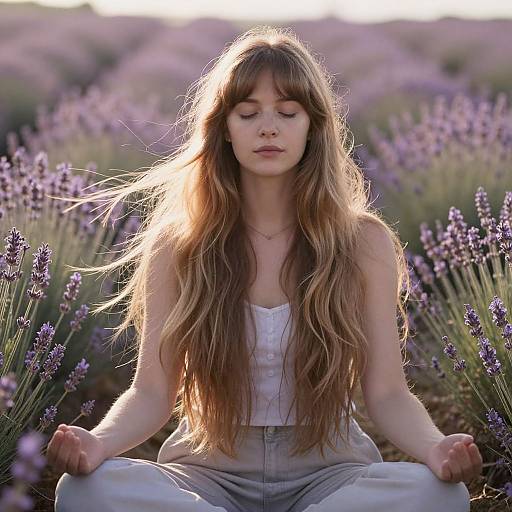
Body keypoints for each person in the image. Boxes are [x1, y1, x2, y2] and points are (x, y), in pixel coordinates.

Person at [48, 25, 480, 512]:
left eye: (287, 112)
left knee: (437, 494)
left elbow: (387, 393)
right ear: (223, 129)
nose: (268, 127)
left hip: (330, 473)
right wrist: (98, 443)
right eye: (248, 113)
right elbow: (151, 391)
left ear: (313, 127)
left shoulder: (364, 243)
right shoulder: (178, 245)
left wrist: (435, 448)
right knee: (85, 490)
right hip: (207, 473)